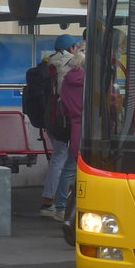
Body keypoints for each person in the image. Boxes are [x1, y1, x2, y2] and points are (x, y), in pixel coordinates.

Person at [39, 33, 82, 217]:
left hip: (52, 117)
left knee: (59, 157)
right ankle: (55, 204)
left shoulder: (49, 63)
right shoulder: (71, 65)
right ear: (71, 48)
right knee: (64, 159)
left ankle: (49, 201)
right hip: (65, 119)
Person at [54, 50, 85, 225]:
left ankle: (61, 205)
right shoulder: (90, 81)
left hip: (74, 129)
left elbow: (64, 106)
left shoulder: (66, 82)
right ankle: (74, 209)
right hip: (89, 131)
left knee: (69, 168)